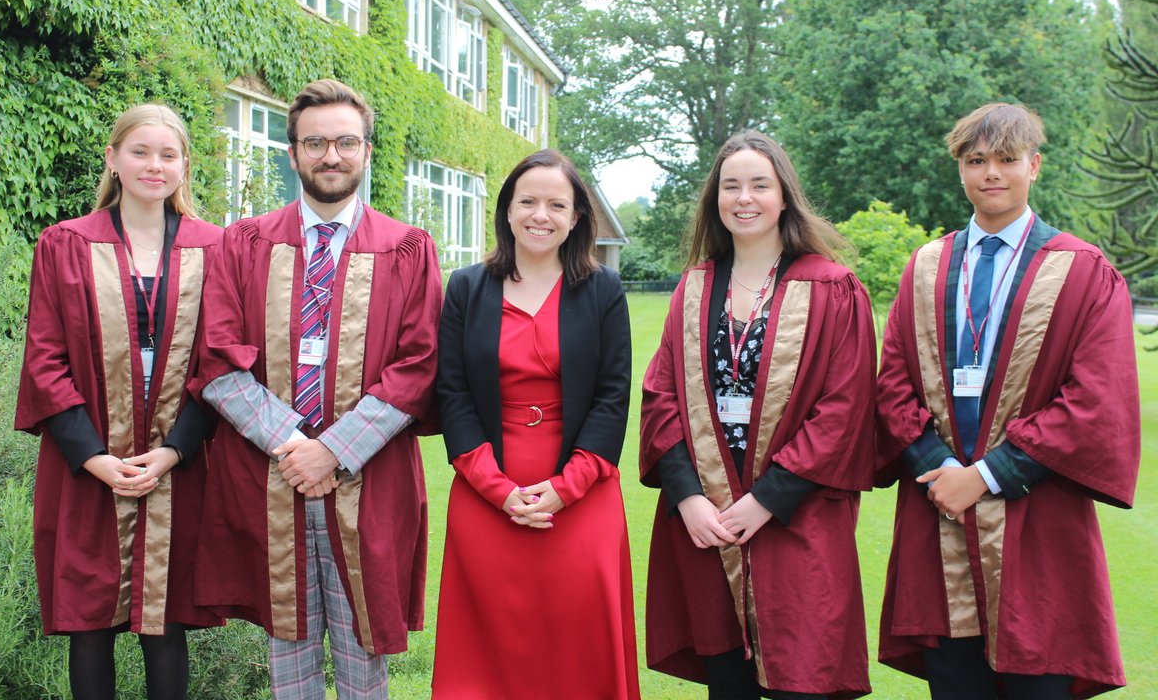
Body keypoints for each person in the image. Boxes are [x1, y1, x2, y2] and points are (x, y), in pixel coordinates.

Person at [875, 103, 1141, 699]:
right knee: (956, 682)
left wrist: (989, 475)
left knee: (1037, 677)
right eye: (976, 161)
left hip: (1036, 520)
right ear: (960, 170)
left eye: (1006, 159)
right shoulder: (926, 268)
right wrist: (940, 468)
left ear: (1034, 166)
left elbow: (1095, 401)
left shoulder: (1082, 270)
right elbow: (891, 382)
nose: (991, 173)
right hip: (940, 509)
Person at [190, 79, 442, 700]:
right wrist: (293, 446)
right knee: (288, 643)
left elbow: (420, 364)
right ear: (293, 152)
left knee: (364, 647)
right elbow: (217, 359)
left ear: (366, 148)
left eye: (346, 142)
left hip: (368, 476)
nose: (332, 155)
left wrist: (333, 450)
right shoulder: (244, 243)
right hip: (271, 476)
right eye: (316, 143)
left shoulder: (408, 249)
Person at [640, 131, 875, 700]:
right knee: (728, 682)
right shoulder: (694, 288)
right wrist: (688, 496)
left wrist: (768, 499)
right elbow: (660, 395)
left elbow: (844, 409)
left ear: (784, 195)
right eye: (731, 186)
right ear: (714, 199)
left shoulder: (832, 287)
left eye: (759, 185)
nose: (744, 198)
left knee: (805, 677)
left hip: (799, 516)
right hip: (709, 516)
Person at [15, 104, 223, 699]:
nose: (153, 165)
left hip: (176, 457)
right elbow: (45, 358)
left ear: (185, 166)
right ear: (112, 158)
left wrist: (175, 451)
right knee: (90, 623)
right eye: (140, 152)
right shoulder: (65, 244)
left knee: (166, 622)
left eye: (168, 154)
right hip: (87, 455)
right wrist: (92, 456)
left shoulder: (218, 248)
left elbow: (223, 360)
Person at [432, 149, 641, 699]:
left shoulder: (602, 291)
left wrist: (565, 488)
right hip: (486, 492)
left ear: (576, 218)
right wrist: (497, 490)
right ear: (506, 210)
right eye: (527, 201)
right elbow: (452, 395)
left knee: (579, 645)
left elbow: (612, 397)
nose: (539, 215)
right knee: (488, 654)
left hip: (581, 491)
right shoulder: (466, 287)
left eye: (556, 204)